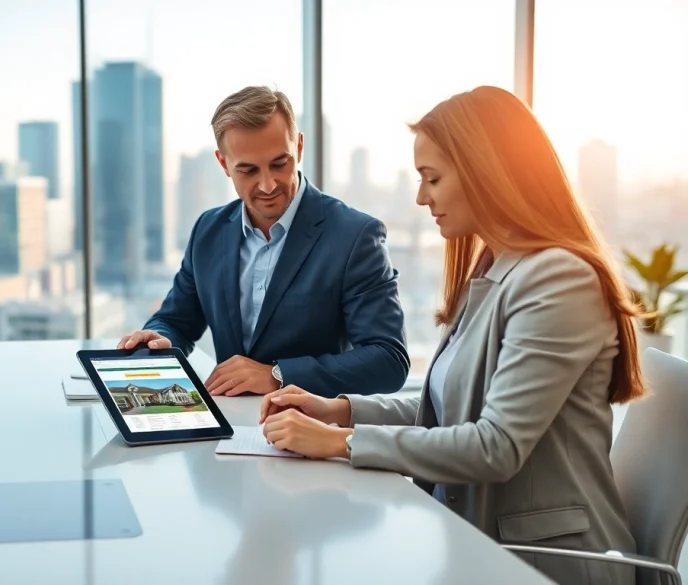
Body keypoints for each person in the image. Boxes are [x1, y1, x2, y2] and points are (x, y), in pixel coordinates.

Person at [258, 85, 643, 585]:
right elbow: (451, 409)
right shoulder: (494, 268)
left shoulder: (558, 280)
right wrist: (340, 409)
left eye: (433, 178)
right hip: (474, 539)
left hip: (545, 563)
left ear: (486, 172)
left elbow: (495, 446)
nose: (422, 197)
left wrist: (340, 442)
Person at [117, 86, 410, 399]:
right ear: (223, 164)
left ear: (299, 147)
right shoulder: (208, 230)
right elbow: (176, 321)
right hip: (227, 423)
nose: (268, 185)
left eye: (279, 163)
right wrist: (158, 338)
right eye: (248, 170)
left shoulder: (355, 235)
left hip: (310, 424)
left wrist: (277, 375)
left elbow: (388, 360)